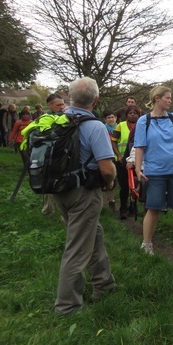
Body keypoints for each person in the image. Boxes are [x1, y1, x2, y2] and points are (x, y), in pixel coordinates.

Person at [53, 77, 117, 315]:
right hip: (84, 192)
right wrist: (108, 184)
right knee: (78, 248)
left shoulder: (57, 120)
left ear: (69, 98)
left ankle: (104, 284)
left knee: (93, 233)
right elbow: (107, 168)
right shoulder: (95, 126)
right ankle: (67, 306)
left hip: (59, 189)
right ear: (96, 99)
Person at [133, 86, 173, 255]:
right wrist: (138, 169)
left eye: (170, 98)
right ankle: (146, 245)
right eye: (167, 98)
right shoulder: (143, 121)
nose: (170, 100)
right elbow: (139, 146)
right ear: (156, 98)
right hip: (154, 172)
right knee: (153, 208)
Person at [111, 105, 140, 219]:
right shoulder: (120, 126)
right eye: (130, 113)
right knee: (124, 187)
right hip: (122, 161)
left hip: (136, 162)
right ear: (126, 115)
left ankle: (133, 207)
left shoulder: (141, 126)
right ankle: (123, 208)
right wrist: (119, 155)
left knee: (136, 186)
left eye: (135, 113)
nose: (132, 115)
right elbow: (114, 142)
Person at [42, 94, 66, 218]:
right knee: (49, 183)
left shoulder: (67, 117)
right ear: (49, 105)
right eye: (58, 105)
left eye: (63, 104)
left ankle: (64, 213)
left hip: (65, 156)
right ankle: (48, 210)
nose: (62, 107)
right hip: (49, 157)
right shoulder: (44, 119)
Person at [102, 110, 118, 211]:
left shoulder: (120, 127)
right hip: (108, 157)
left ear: (116, 118)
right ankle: (111, 200)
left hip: (120, 158)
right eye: (108, 117)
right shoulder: (102, 128)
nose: (111, 119)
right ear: (105, 119)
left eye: (112, 117)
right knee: (110, 179)